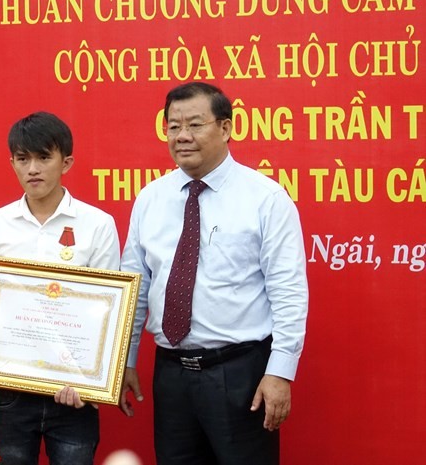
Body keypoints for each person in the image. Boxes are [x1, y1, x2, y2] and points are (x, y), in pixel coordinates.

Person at [118, 82, 308, 465]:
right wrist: (125, 358)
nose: (182, 136)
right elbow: (135, 287)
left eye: (194, 124)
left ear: (225, 128)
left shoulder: (266, 199)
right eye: (173, 126)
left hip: (241, 375)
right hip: (171, 375)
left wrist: (280, 373)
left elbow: (288, 293)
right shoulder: (151, 199)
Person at [0, 111, 121, 465]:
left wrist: (87, 382)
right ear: (11, 162)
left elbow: (107, 312)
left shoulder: (98, 225)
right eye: (23, 159)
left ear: (66, 162)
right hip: (11, 389)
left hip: (72, 392)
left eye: (44, 157)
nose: (33, 169)